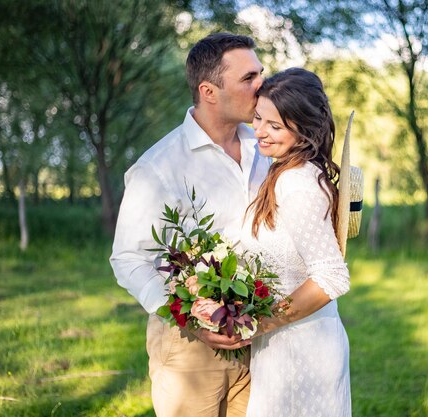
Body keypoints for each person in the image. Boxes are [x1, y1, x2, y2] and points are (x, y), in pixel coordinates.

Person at [109, 33, 270, 417]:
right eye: (249, 78)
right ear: (209, 91)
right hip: (188, 348)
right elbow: (128, 258)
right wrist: (189, 319)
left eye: (260, 73)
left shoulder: (265, 147)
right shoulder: (158, 167)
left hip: (262, 338)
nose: (262, 85)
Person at [241, 68, 351, 417]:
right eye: (258, 118)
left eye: (274, 125)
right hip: (283, 343)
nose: (260, 131)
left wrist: (260, 323)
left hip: (301, 348)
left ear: (303, 127)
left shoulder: (298, 182)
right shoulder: (283, 171)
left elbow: (332, 277)